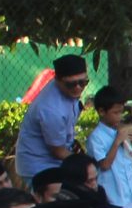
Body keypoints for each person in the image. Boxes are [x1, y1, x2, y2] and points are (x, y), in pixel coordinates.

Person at [15, 54, 86, 184]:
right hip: (39, 166)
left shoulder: (67, 91)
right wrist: (84, 162)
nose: (78, 88)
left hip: (55, 161)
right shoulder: (51, 109)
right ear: (57, 80)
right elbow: (58, 152)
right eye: (71, 84)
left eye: (83, 82)